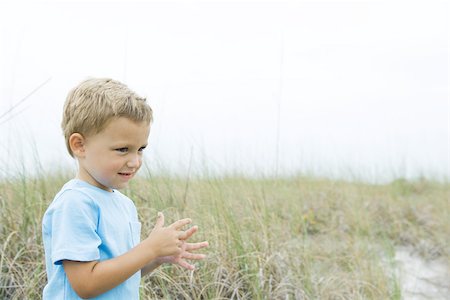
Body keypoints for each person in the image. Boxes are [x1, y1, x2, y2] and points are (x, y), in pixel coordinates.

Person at [42, 78, 208, 299]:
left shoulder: (124, 204)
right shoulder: (75, 202)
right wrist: (148, 248)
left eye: (140, 149)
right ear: (80, 145)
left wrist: (155, 258)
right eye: (122, 149)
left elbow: (123, 272)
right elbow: (86, 284)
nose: (135, 161)